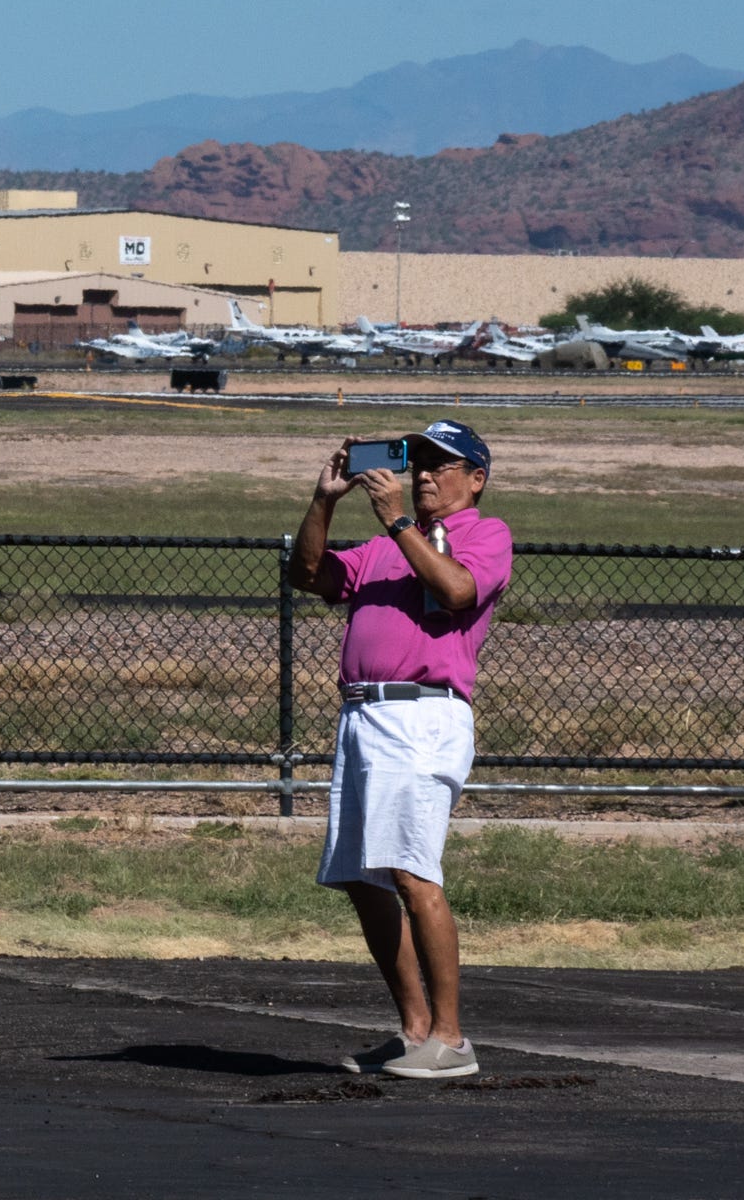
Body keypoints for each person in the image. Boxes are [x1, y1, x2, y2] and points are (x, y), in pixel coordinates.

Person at [289, 418, 511, 1082]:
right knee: (363, 877)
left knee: (414, 874)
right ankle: (416, 1031)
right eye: (417, 462)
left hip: (421, 717)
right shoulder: (382, 547)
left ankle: (451, 1039)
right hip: (364, 715)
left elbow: (458, 591)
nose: (422, 475)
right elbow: (308, 574)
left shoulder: (484, 534)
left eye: (442, 465)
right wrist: (324, 500)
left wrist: (396, 525)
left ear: (475, 479)